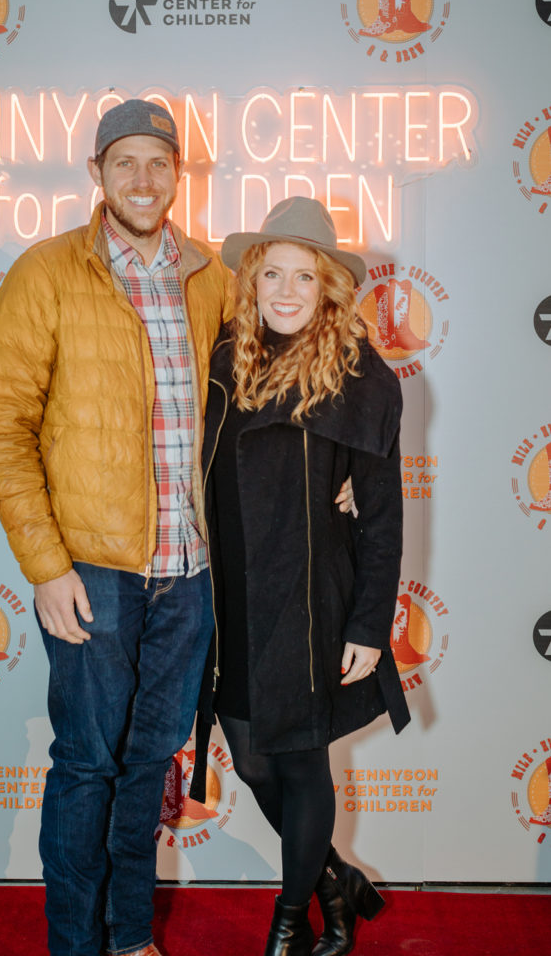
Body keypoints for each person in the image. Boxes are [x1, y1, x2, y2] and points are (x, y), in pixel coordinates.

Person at [0, 99, 235, 956]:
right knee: (87, 764)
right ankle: (74, 945)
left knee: (146, 765)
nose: (142, 179)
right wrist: (46, 567)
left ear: (178, 173)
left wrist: (344, 472)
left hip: (188, 575)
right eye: (124, 161)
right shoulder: (47, 272)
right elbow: (7, 425)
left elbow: (268, 391)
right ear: (96, 173)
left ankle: (128, 937)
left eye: (158, 161)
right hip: (91, 571)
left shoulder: (212, 277)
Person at [191, 197, 410, 956]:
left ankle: (290, 917)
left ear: (328, 287)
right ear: (251, 279)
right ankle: (334, 881)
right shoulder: (221, 360)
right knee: (254, 760)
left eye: (305, 277)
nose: (286, 292)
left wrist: (368, 626)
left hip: (311, 599)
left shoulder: (359, 377)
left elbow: (383, 517)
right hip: (231, 597)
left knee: (300, 758)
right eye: (273, 274)